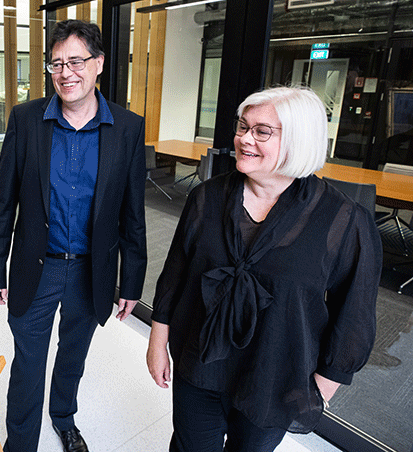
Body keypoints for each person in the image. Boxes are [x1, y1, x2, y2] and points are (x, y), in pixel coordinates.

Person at [147, 86, 382, 452]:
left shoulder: (343, 220)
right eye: (243, 127)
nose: (244, 139)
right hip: (199, 364)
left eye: (261, 131)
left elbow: (354, 315)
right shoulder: (206, 197)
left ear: (300, 140)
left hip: (274, 377)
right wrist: (157, 343)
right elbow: (175, 276)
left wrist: (320, 388)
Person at [0, 19, 147, 452]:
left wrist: (131, 280)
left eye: (76, 61)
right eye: (56, 63)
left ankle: (64, 418)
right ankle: (20, 443)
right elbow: (4, 202)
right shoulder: (26, 119)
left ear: (99, 65)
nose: (65, 72)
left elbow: (132, 214)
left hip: (91, 271)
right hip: (38, 267)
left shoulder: (127, 128)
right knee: (28, 364)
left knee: (73, 356)